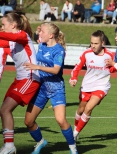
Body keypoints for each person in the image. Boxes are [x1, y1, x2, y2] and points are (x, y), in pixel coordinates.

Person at [23, 22, 78, 154]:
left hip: (56, 89)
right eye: (40, 32)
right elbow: (36, 35)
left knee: (60, 120)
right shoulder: (42, 44)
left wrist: (38, 67)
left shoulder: (59, 50)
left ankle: (73, 148)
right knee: (28, 121)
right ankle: (41, 142)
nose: (39, 34)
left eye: (42, 32)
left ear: (51, 35)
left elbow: (56, 70)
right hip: (41, 88)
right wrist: (40, 29)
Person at [0, 12, 41, 154]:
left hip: (30, 79)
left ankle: (10, 146)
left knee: (5, 109)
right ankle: (8, 145)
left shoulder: (22, 35)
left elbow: (8, 37)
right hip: (20, 79)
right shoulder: (10, 39)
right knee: (3, 110)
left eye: (3, 25)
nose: (2, 27)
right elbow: (3, 40)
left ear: (13, 25)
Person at [69, 30, 114, 142]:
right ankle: (76, 127)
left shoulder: (109, 55)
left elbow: (111, 69)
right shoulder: (86, 54)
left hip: (102, 86)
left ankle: (75, 134)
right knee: (81, 109)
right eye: (91, 43)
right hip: (87, 86)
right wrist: (73, 78)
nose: (93, 46)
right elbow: (77, 67)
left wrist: (116, 65)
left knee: (88, 108)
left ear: (102, 42)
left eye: (96, 43)